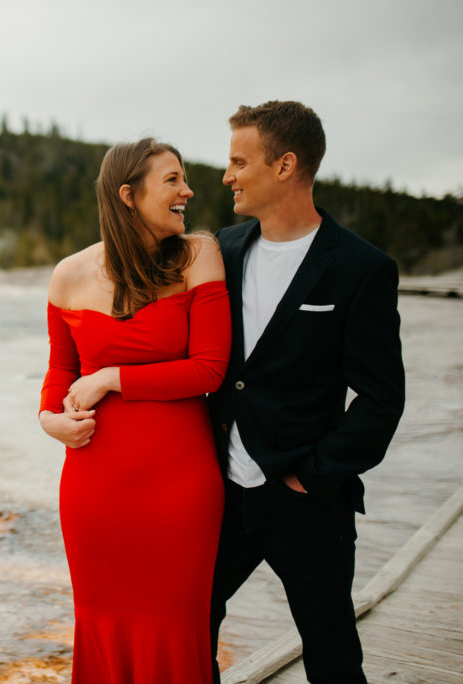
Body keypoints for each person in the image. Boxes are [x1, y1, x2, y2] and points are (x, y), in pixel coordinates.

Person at [208, 101, 406, 683]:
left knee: (331, 647)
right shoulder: (223, 248)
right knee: (190, 620)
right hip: (221, 493)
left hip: (306, 499)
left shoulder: (361, 268)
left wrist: (312, 474)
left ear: (286, 164)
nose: (228, 176)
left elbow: (380, 399)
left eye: (239, 162)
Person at [39, 137, 231, 682]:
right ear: (128, 194)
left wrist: (111, 379)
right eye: (172, 179)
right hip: (94, 486)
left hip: (179, 487)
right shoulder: (68, 275)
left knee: (176, 628)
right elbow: (59, 375)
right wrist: (51, 421)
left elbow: (209, 369)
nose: (188, 190)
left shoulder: (199, 254)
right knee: (100, 623)